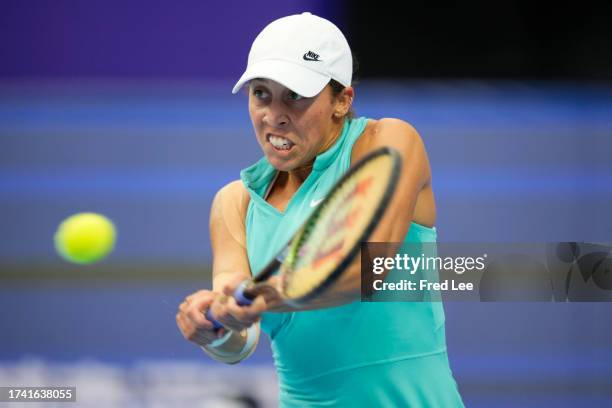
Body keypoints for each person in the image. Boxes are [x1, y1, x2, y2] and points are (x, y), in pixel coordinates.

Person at [176, 12, 464, 407]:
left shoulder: (389, 142)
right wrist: (217, 324)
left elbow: (366, 268)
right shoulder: (233, 202)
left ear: (342, 101)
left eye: (295, 95)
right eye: (261, 92)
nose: (273, 114)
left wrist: (268, 294)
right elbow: (240, 340)